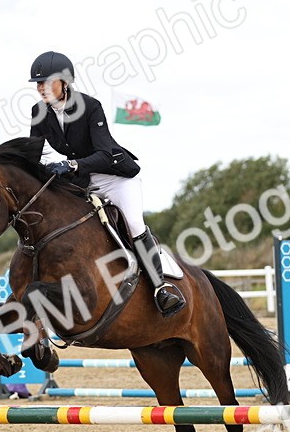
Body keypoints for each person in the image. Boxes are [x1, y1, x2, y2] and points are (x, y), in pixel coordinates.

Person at [26, 50, 186, 317]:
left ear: (64, 82)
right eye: (38, 83)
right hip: (82, 181)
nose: (41, 87)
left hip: (115, 177)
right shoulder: (39, 112)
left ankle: (161, 288)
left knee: (134, 224)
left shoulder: (90, 107)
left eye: (47, 82)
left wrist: (72, 165)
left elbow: (104, 153)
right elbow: (33, 153)